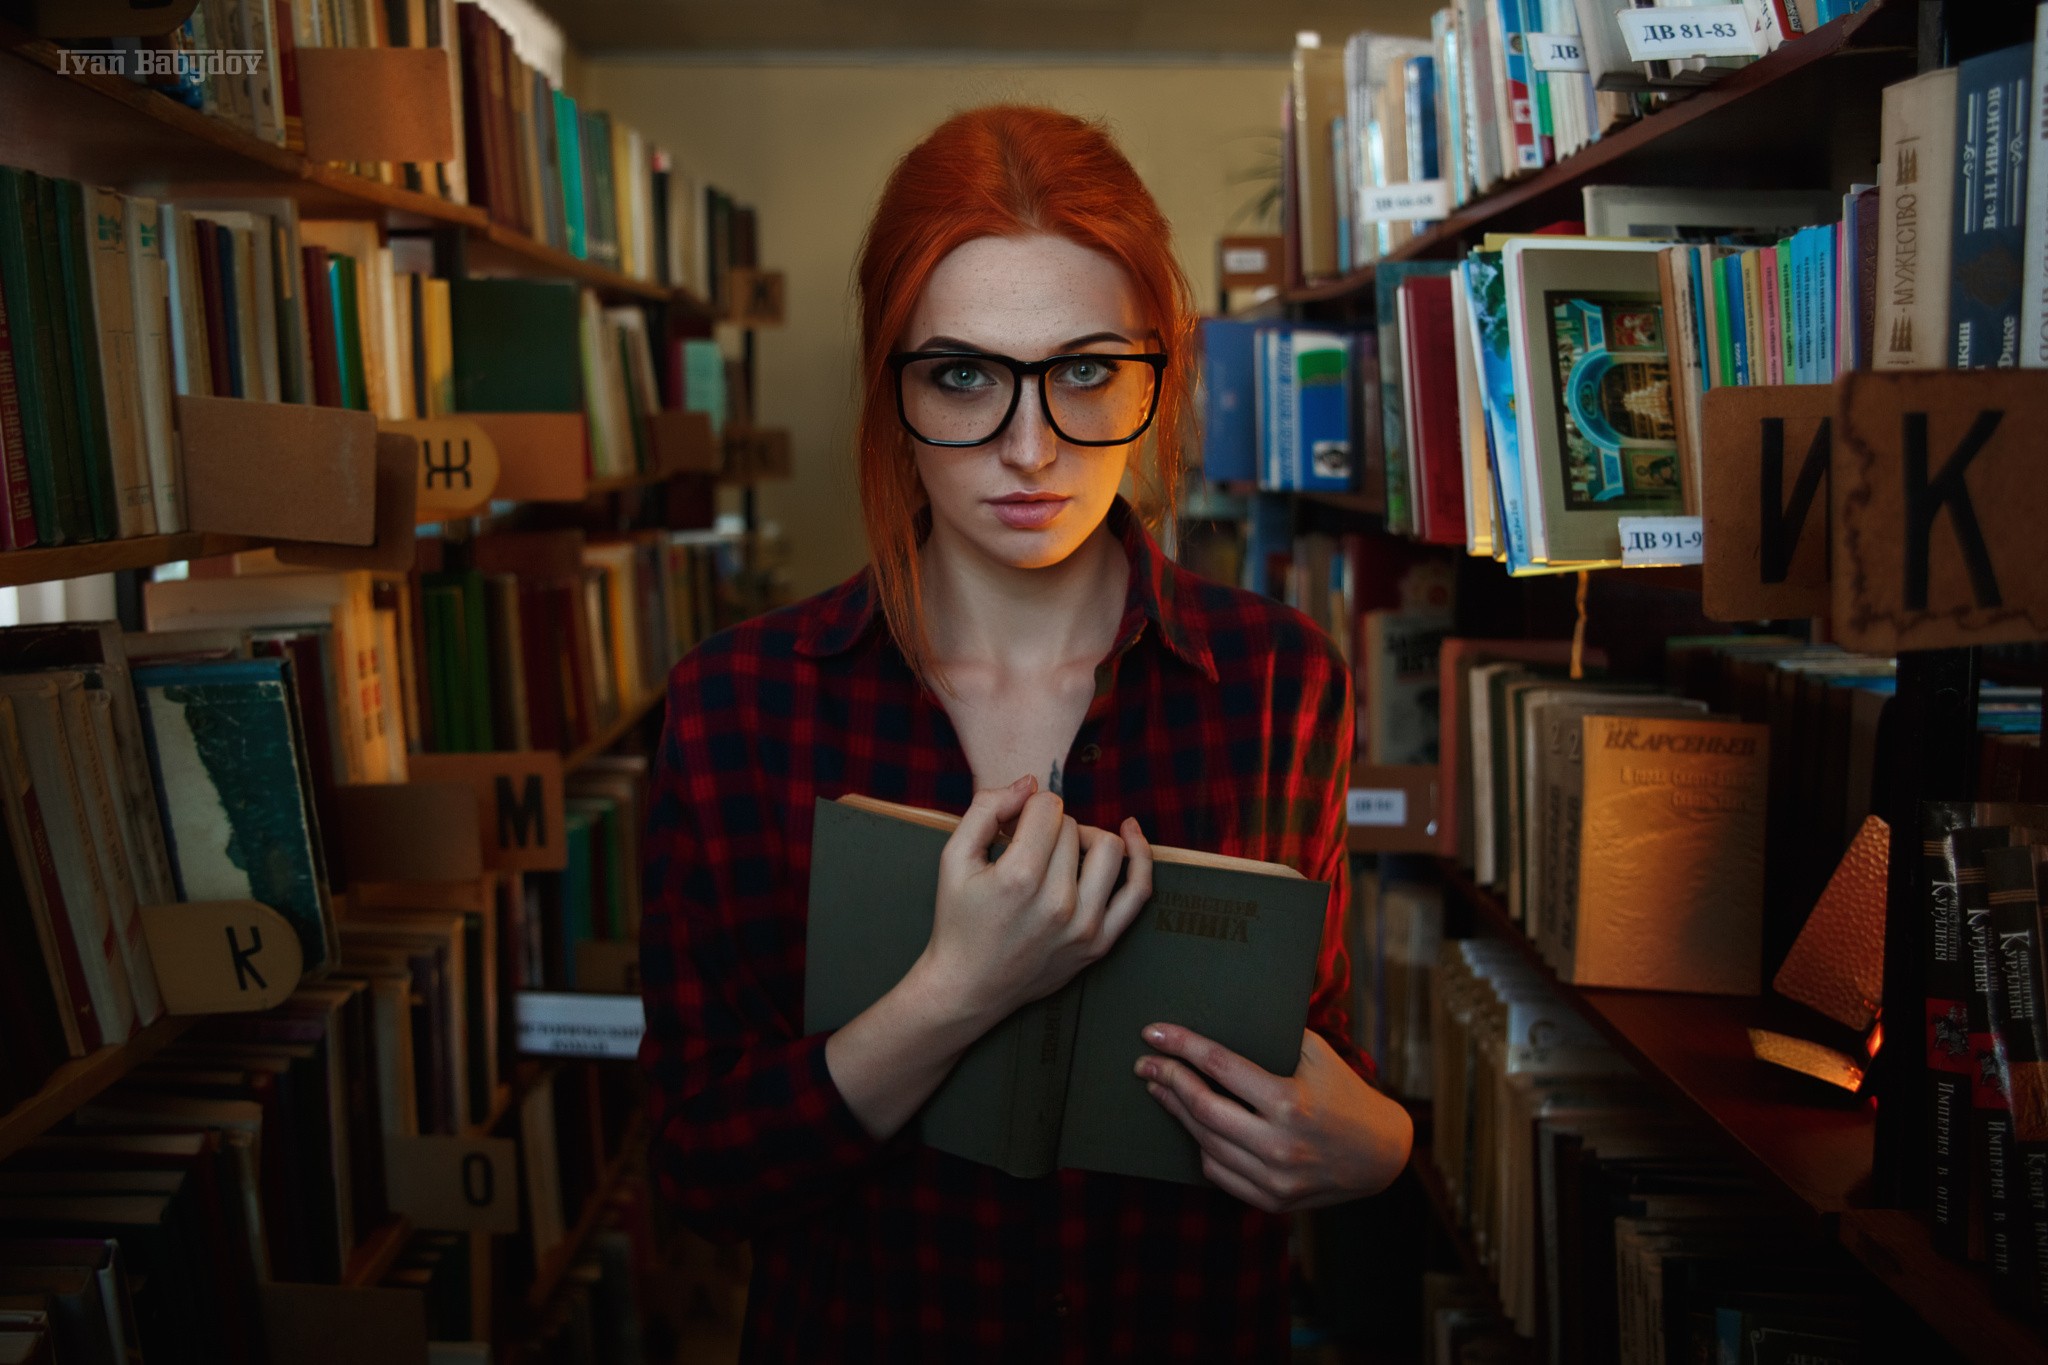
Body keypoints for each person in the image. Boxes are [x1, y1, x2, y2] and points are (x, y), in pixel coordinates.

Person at [638, 103, 1414, 1363]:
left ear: (1156, 369)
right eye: (962, 375)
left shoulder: (1280, 678)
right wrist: (955, 993)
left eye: (1086, 370)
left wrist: (1378, 1144)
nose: (1029, 446)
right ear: (892, 387)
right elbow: (702, 1172)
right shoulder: (738, 704)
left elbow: (1304, 1042)